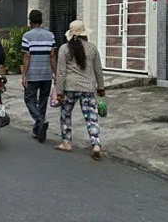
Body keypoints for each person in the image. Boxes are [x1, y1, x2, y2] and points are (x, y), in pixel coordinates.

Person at [54, 20, 106, 160]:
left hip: (69, 87)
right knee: (91, 117)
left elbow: (61, 72)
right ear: (84, 33)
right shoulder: (92, 48)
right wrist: (101, 88)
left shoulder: (64, 49)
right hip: (88, 87)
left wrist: (59, 92)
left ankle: (66, 143)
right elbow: (98, 70)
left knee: (65, 114)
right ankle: (96, 145)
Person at [21, 9, 57, 143]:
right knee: (42, 101)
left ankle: (40, 121)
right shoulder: (50, 35)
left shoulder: (27, 36)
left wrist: (24, 75)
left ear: (30, 22)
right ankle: (37, 130)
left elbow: (27, 56)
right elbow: (52, 56)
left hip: (33, 74)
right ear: (41, 21)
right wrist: (55, 73)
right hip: (46, 74)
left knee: (29, 99)